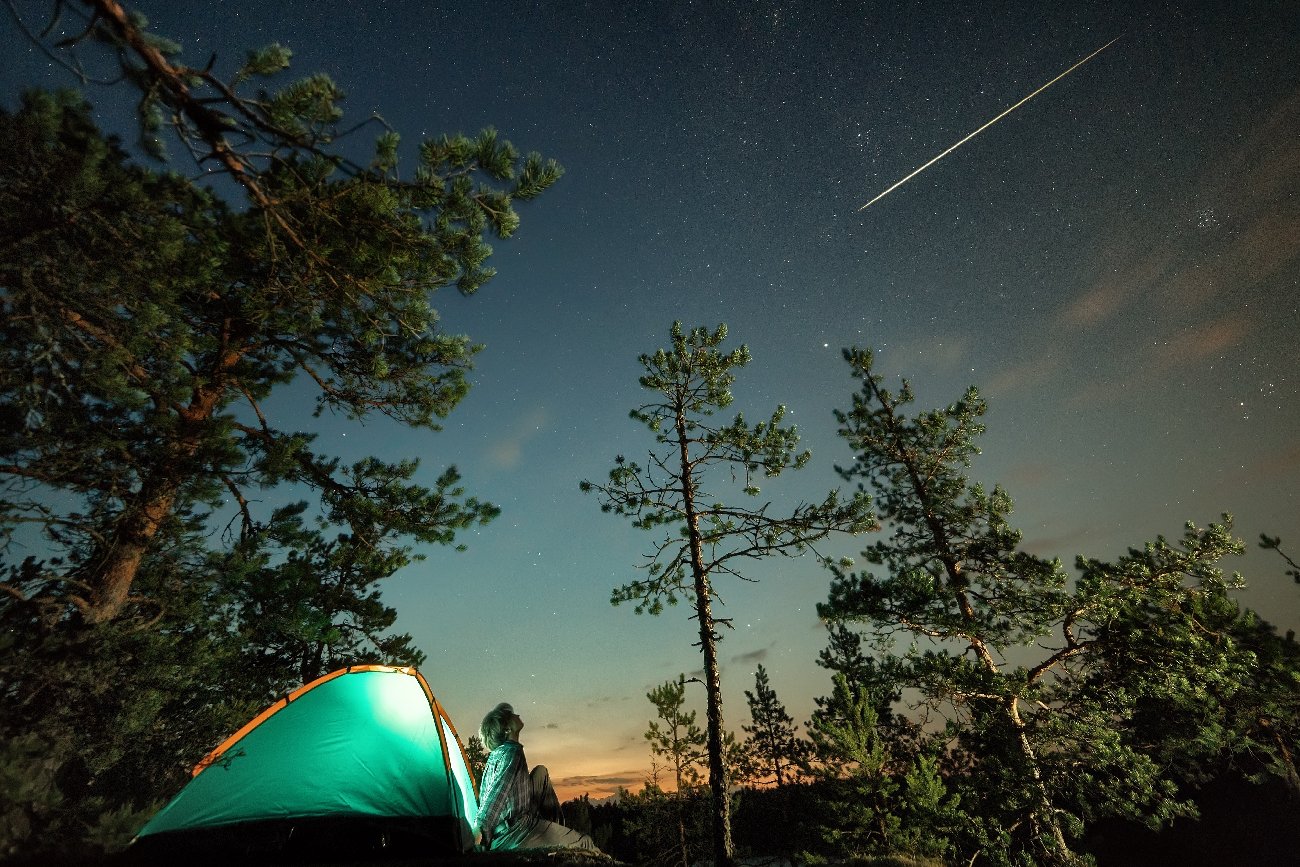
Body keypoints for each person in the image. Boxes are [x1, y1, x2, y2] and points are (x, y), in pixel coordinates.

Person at [474, 702, 602, 853]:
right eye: (511, 715)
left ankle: (556, 831)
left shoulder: (495, 756)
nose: (517, 715)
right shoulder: (512, 753)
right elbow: (497, 794)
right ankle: (558, 844)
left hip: (511, 822)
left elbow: (487, 793)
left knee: (540, 773)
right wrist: (480, 829)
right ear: (507, 729)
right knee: (585, 843)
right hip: (515, 832)